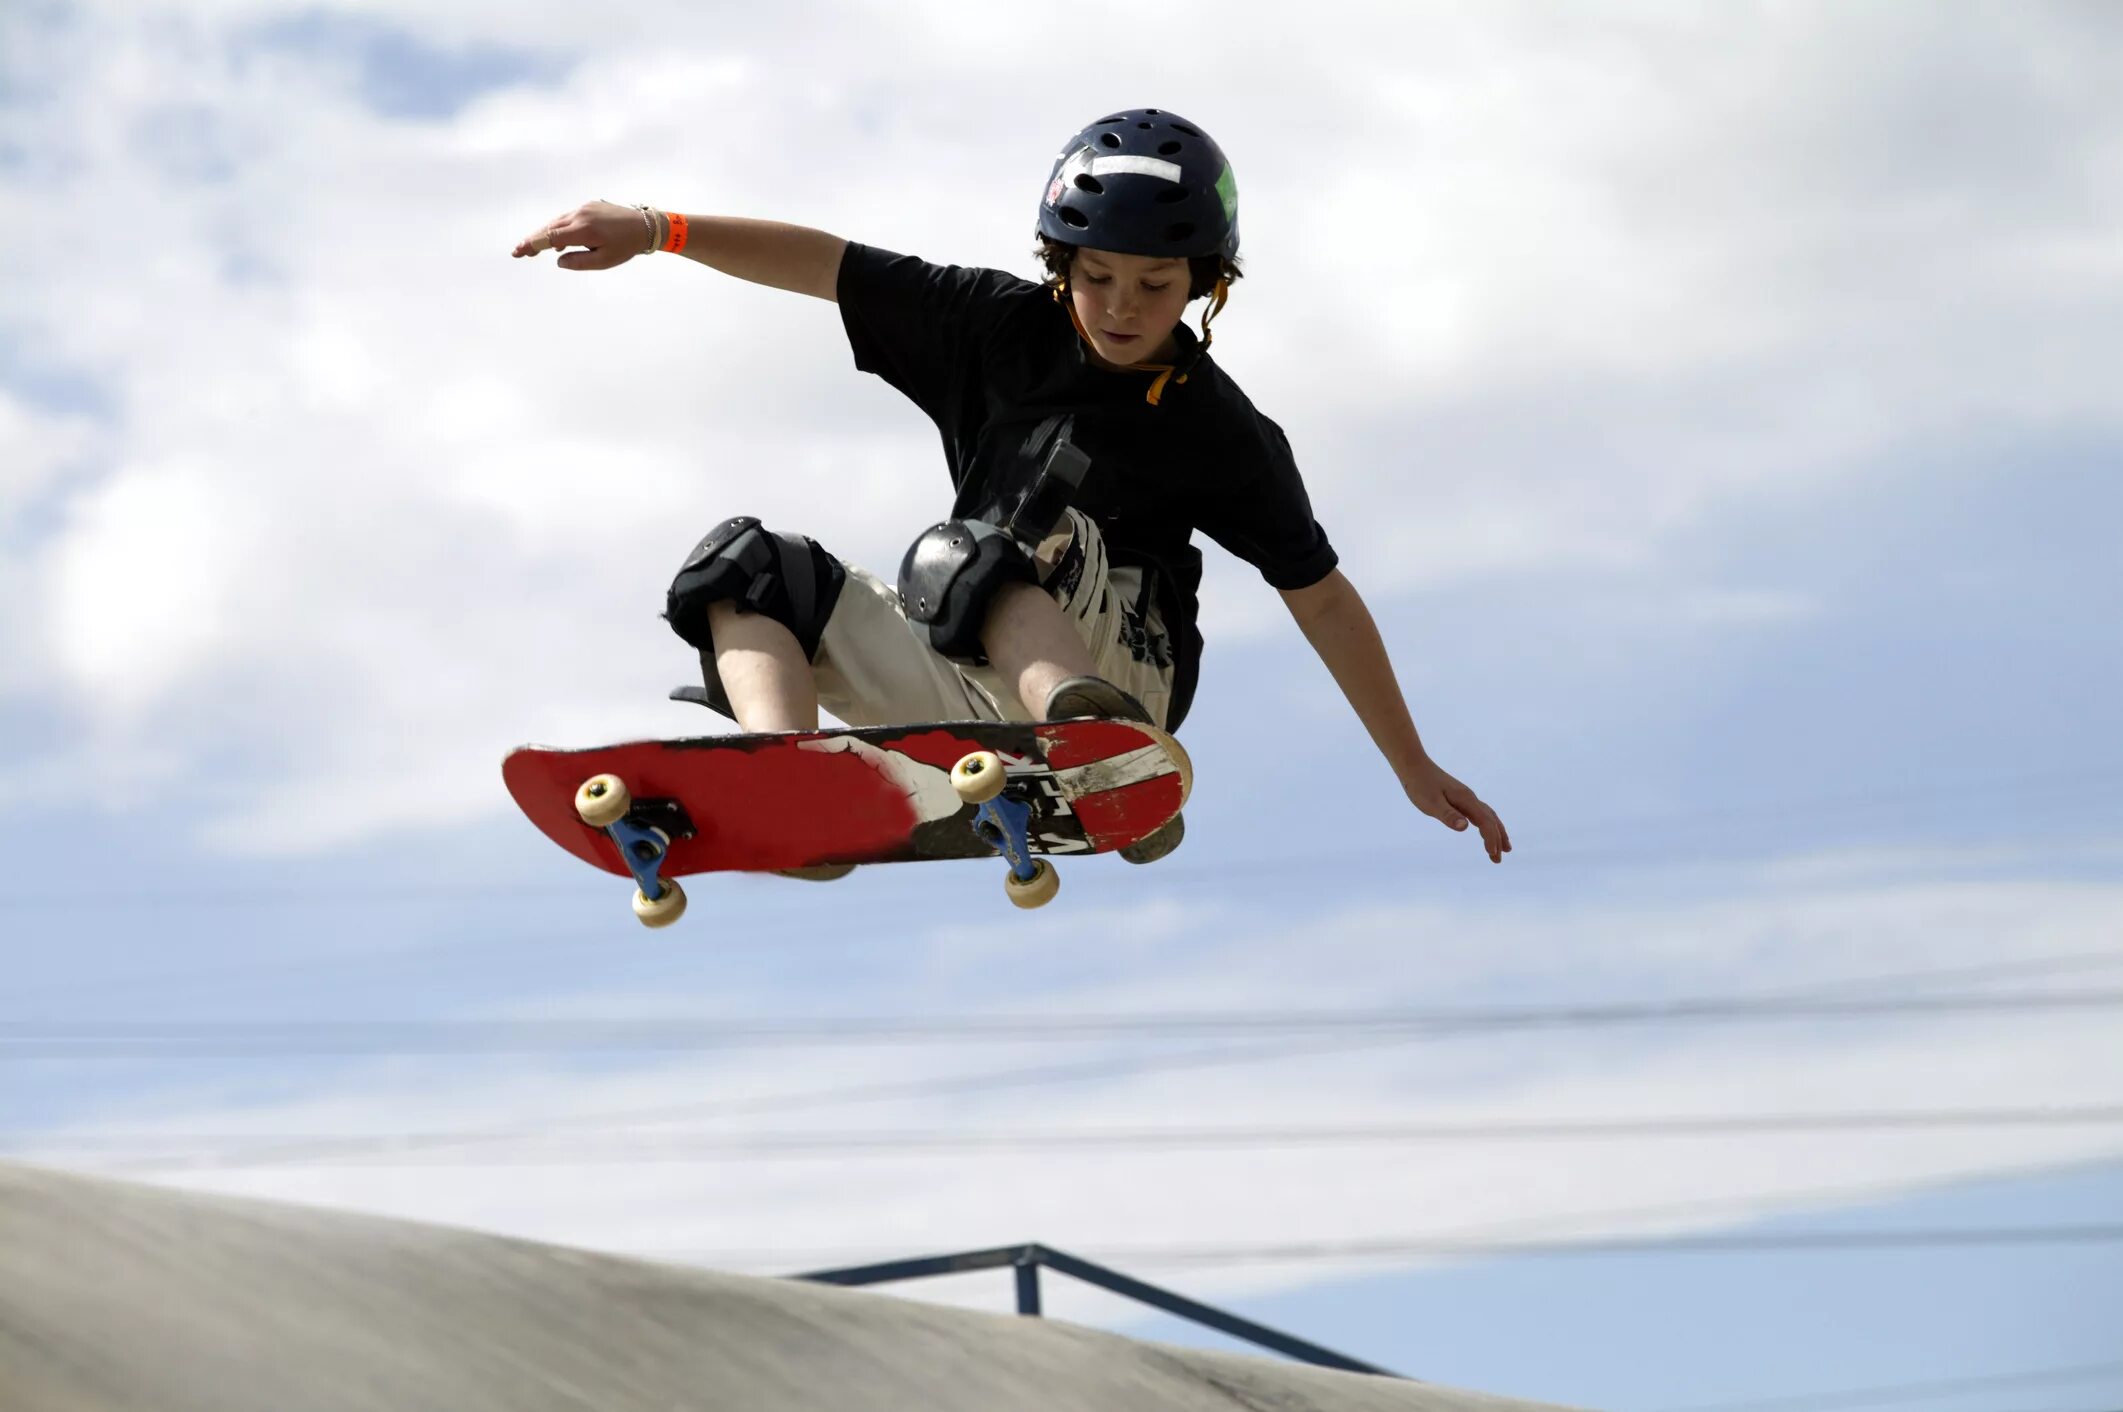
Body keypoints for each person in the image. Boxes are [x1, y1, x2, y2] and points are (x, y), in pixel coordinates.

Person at [513, 108, 1510, 869]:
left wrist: (1409, 763)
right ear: (1059, 263)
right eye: (1097, 276)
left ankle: (1092, 741)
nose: (1121, 306)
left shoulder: (1219, 426)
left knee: (968, 551)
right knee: (745, 566)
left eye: (1154, 285)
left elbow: (1321, 595)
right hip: (965, 658)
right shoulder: (991, 325)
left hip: (1123, 669)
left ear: (1202, 282)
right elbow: (829, 265)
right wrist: (656, 227)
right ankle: (788, 779)